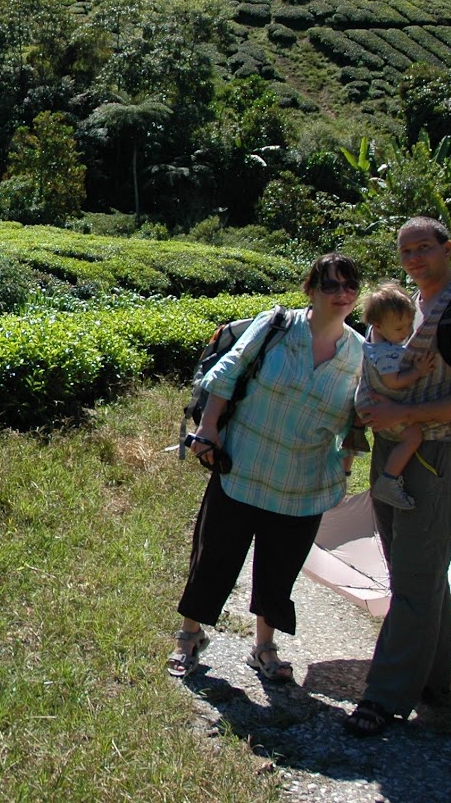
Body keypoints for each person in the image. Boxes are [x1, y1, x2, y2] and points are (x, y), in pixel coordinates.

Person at [169, 253, 369, 683]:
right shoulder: (278, 326)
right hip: (243, 465)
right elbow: (225, 374)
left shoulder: (358, 351)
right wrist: (207, 430)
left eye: (350, 286)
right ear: (310, 290)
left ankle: (264, 647)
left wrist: (347, 468)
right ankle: (189, 636)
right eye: (330, 285)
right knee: (215, 557)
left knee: (279, 570)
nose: (342, 294)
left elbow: (354, 418)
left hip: (305, 480)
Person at [346, 217, 451, 737]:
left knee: (413, 576)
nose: (414, 257)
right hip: (391, 449)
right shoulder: (404, 309)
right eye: (406, 249)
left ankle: (384, 697)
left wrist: (403, 418)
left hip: (431, 456)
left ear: (448, 248)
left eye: (424, 247)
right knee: (414, 569)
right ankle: (434, 677)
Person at [358, 281, 443, 510]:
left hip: (369, 400)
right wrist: (419, 371)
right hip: (375, 404)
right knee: (413, 435)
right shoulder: (385, 353)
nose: (405, 333)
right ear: (378, 325)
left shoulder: (377, 337)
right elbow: (392, 381)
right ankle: (388, 479)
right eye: (399, 329)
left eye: (408, 326)